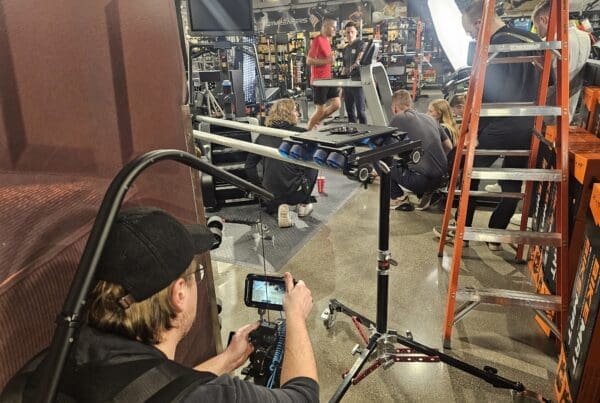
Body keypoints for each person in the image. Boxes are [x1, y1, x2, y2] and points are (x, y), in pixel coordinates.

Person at [4, 207, 318, 401]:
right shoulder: (221, 397)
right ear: (178, 294)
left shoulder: (53, 363)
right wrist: (296, 319)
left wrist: (226, 360)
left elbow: (152, 390)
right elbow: (303, 397)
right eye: (195, 273)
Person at [436, 0, 543, 251]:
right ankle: (495, 234)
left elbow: (489, 93)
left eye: (472, 32)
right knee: (511, 182)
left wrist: (474, 131)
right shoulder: (528, 36)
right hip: (528, 124)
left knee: (465, 169)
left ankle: (462, 231)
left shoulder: (494, 45)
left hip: (501, 123)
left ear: (480, 23)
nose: (474, 37)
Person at [245, 99, 318, 228]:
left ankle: (278, 205)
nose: (298, 114)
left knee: (269, 164)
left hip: (269, 196)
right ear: (288, 113)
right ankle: (303, 204)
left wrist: (260, 189)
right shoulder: (301, 134)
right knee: (314, 165)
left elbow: (249, 166)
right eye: (295, 111)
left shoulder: (263, 135)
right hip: (295, 194)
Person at [387, 90, 449, 211]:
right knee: (415, 160)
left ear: (394, 108)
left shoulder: (398, 119)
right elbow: (448, 146)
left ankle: (398, 198)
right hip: (442, 179)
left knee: (379, 160)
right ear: (410, 105)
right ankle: (427, 193)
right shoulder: (430, 119)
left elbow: (386, 149)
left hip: (421, 181)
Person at [532, 0, 591, 123]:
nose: (537, 32)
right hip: (569, 111)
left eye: (537, 27)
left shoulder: (550, 44)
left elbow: (544, 80)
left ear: (544, 19)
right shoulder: (585, 37)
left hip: (549, 114)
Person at [307, 17, 341, 130]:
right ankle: (307, 132)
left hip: (328, 79)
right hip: (319, 81)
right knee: (320, 110)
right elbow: (309, 60)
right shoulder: (318, 40)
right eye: (333, 27)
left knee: (336, 104)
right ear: (325, 26)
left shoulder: (327, 41)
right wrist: (328, 61)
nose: (335, 30)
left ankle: (317, 121)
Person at [341, 22, 367, 124]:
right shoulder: (345, 49)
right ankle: (353, 133)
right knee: (350, 112)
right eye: (347, 32)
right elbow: (344, 67)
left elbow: (360, 55)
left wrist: (356, 62)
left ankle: (365, 136)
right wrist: (341, 84)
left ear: (356, 32)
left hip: (357, 82)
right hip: (347, 84)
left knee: (361, 112)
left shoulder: (360, 43)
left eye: (352, 32)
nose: (350, 34)